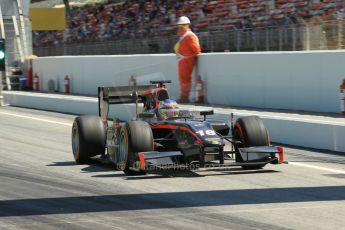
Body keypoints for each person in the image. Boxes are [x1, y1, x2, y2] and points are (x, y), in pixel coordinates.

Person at [174, 16, 201, 103]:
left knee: (185, 79)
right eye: (179, 26)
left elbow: (197, 51)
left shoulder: (190, 36)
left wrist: (186, 57)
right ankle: (183, 96)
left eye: (182, 26)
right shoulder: (184, 36)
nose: (179, 28)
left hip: (186, 61)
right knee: (182, 79)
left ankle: (185, 97)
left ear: (187, 26)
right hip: (183, 61)